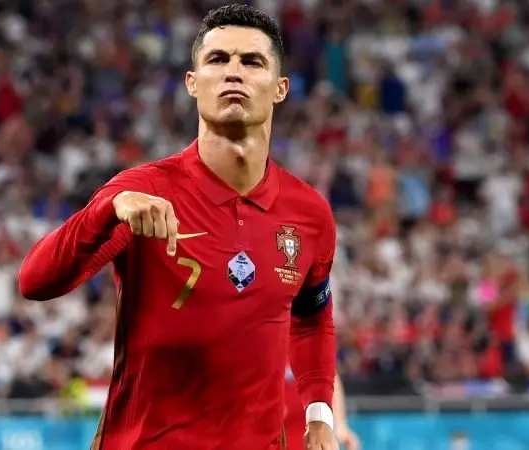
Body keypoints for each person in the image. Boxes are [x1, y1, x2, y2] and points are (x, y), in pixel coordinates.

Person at [19, 5, 337, 449]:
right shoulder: (141, 193)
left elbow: (313, 318)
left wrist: (320, 415)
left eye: (251, 62)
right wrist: (105, 211)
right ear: (192, 83)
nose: (233, 72)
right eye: (218, 59)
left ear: (280, 88)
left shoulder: (309, 214)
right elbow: (35, 281)